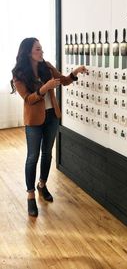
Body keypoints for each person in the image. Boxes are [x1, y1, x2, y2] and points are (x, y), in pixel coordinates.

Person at [10, 37, 87, 217]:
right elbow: (29, 99)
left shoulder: (47, 66)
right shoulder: (19, 74)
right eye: (38, 49)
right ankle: (30, 195)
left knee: (47, 153)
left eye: (41, 48)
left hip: (52, 116)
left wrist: (75, 72)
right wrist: (45, 88)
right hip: (34, 120)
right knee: (32, 156)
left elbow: (63, 80)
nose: (41, 51)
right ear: (28, 51)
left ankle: (42, 185)